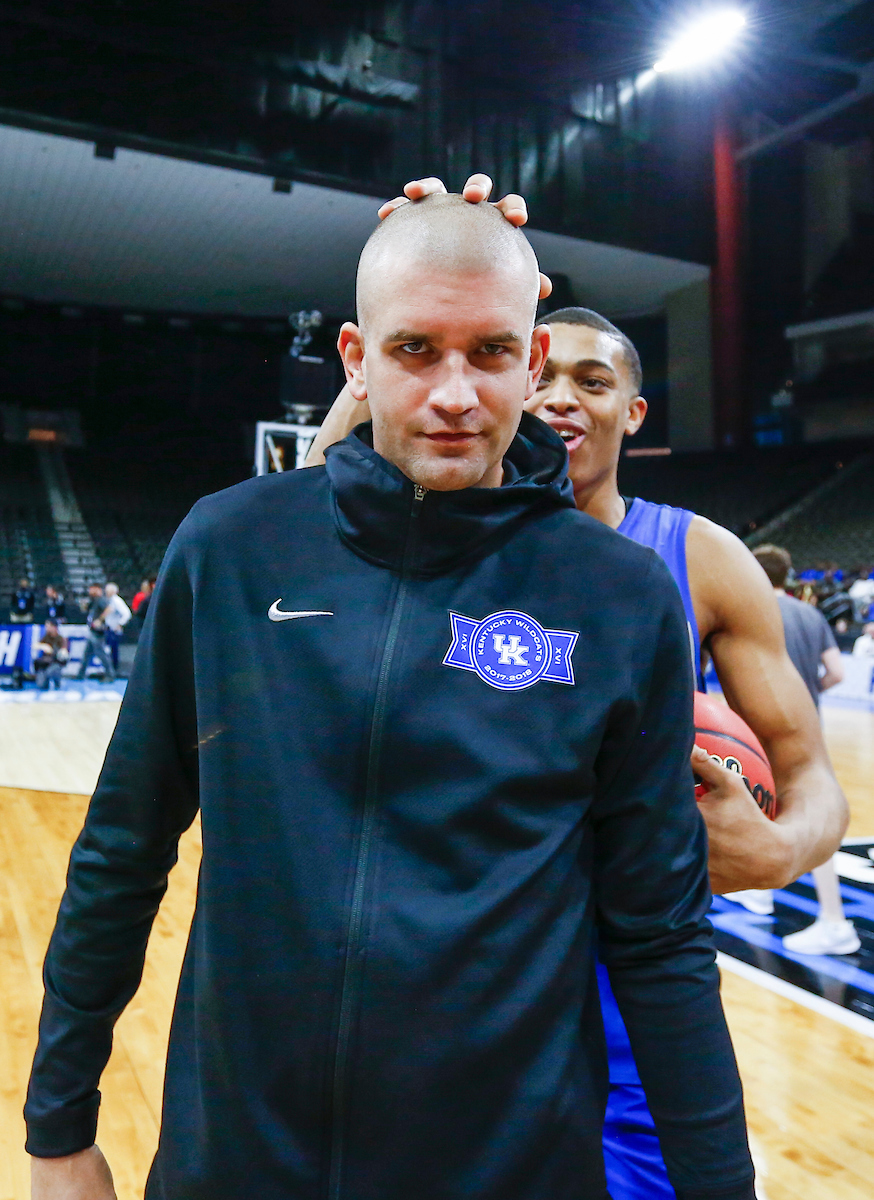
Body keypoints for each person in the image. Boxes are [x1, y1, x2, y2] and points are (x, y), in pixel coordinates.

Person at [27, 193, 755, 1200]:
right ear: (355, 358)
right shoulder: (231, 547)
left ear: (531, 359)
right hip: (238, 1165)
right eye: (415, 349)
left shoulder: (618, 598)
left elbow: (660, 935)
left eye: (490, 352)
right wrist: (57, 1126)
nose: (455, 392)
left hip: (513, 1172)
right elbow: (123, 845)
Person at [307, 174, 848, 1200]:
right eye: (543, 372)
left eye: (594, 382)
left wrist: (778, 846)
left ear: (632, 412)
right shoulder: (440, 539)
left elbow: (814, 776)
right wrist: (419, 266)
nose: (561, 400)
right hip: (459, 970)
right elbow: (316, 502)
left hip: (633, 974)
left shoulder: (700, 559)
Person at [752, 543, 858, 956]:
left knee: (770, 812)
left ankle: (833, 920)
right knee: (806, 812)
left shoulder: (751, 609)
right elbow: (836, 672)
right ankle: (764, 894)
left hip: (762, 730)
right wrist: (810, 692)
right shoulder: (811, 613)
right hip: (808, 728)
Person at [75, 582, 116, 684]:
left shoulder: (101, 599)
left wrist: (99, 620)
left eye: (92, 589)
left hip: (98, 632)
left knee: (101, 653)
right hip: (93, 631)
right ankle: (80, 674)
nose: (90, 591)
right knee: (87, 653)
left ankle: (110, 675)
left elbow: (109, 609)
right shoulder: (95, 601)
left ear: (97, 589)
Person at [101, 583, 132, 674]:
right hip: (109, 628)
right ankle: (111, 669)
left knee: (112, 650)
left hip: (113, 629)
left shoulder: (117, 601)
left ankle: (114, 669)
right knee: (110, 649)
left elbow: (127, 613)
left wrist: (120, 624)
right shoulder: (109, 600)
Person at [33, 620, 68, 690]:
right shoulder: (46, 637)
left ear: (54, 627)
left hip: (55, 663)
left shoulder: (60, 639)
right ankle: (44, 682)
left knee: (51, 671)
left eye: (48, 626)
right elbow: (35, 645)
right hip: (46, 662)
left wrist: (59, 652)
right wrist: (44, 646)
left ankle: (57, 681)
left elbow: (64, 652)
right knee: (41, 684)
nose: (46, 628)